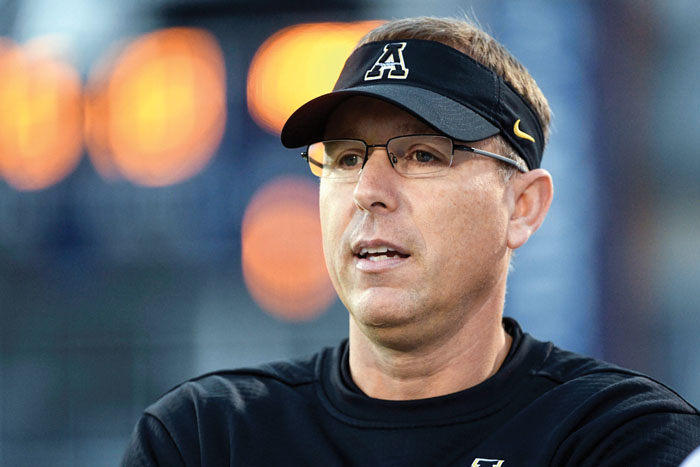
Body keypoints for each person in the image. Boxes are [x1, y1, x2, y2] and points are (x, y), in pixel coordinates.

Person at [121, 17, 700, 466]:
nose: (368, 191)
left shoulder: (620, 435)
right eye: (346, 158)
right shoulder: (205, 437)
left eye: (422, 154)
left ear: (522, 206)